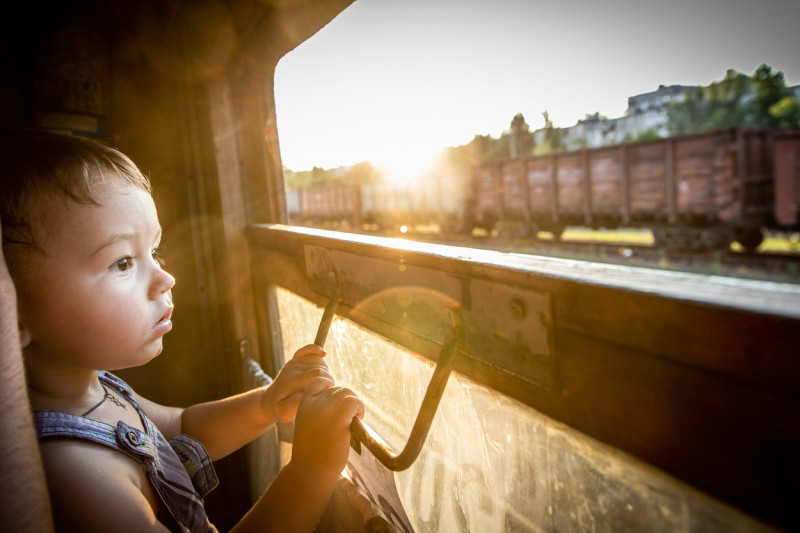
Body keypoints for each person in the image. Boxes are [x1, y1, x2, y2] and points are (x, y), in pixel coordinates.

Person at [0, 128, 365, 532]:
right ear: (11, 314)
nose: (166, 278)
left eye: (153, 251)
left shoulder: (97, 386)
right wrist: (311, 469)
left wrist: (266, 405)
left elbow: (180, 429)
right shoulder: (79, 474)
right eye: (122, 262)